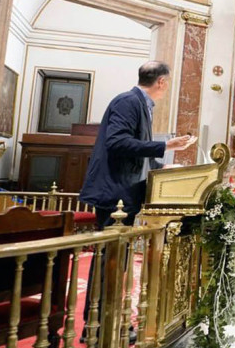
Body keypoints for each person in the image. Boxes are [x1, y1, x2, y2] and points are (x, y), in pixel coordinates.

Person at [81, 61, 195, 228]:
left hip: (126, 190)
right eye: (168, 82)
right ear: (161, 82)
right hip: (116, 191)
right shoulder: (128, 101)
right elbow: (117, 142)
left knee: (120, 250)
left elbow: (136, 153)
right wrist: (165, 146)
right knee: (110, 250)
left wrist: (161, 167)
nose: (168, 87)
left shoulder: (141, 103)